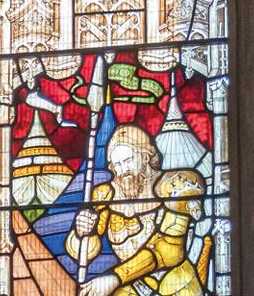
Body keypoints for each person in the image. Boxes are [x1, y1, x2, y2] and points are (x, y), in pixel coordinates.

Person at [64, 124, 207, 295]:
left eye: (128, 160)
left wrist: (116, 277)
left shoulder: (172, 187)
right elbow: (86, 254)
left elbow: (169, 251)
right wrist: (81, 232)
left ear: (145, 156)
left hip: (176, 287)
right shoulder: (105, 196)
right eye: (117, 164)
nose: (124, 170)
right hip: (132, 288)